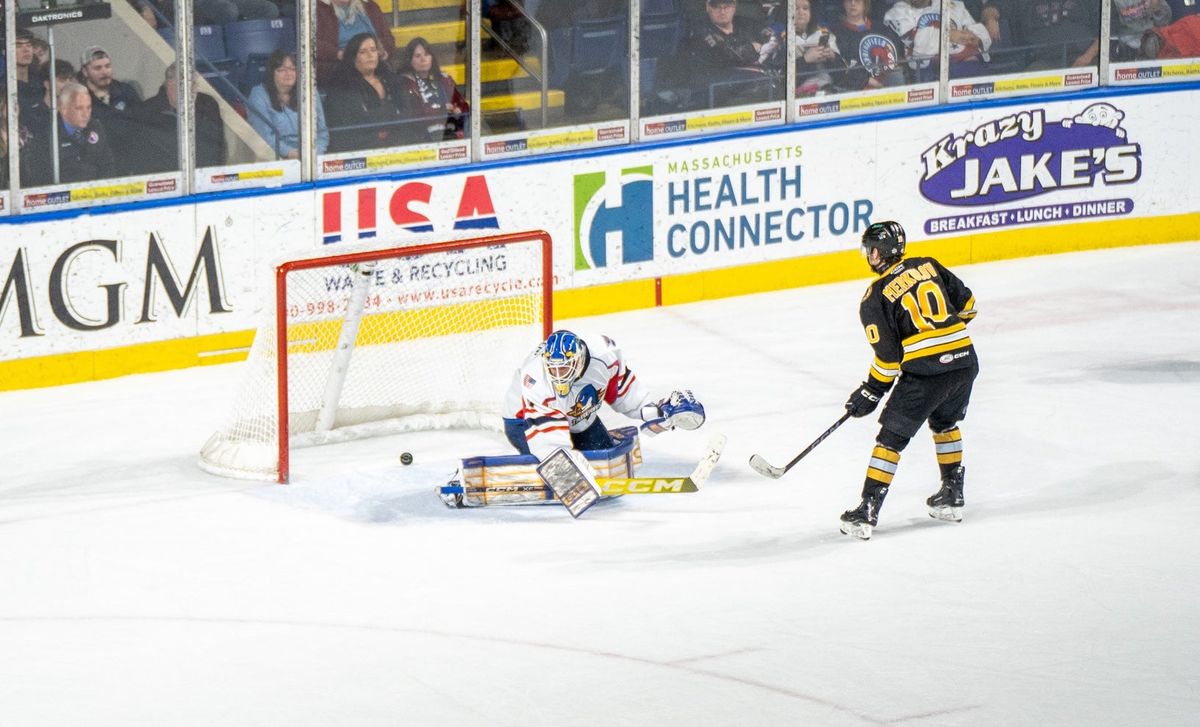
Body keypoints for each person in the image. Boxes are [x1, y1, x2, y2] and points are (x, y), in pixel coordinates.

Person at [838, 221, 980, 540]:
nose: (868, 256)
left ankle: (867, 511)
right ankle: (952, 496)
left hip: (927, 374)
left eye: (869, 251)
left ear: (878, 253)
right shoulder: (928, 265)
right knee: (945, 424)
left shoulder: (874, 297)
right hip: (964, 362)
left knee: (891, 440)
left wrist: (870, 392)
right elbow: (969, 308)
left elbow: (888, 361)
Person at [503, 330, 706, 462]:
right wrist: (562, 462)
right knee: (560, 467)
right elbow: (547, 442)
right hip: (524, 423)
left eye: (564, 368)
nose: (557, 376)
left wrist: (657, 411)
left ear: (579, 360)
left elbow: (622, 393)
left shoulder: (604, 355)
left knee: (605, 460)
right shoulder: (535, 378)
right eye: (553, 369)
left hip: (579, 418)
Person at [128, 64, 227, 174]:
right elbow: (143, 158)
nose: (194, 89)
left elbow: (217, 146)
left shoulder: (207, 104)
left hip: (204, 178)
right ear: (170, 84)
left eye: (195, 83)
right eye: (190, 84)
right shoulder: (146, 112)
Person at [323, 32, 414, 152]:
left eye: (373, 49)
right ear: (353, 57)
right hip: (358, 149)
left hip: (396, 142)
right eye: (363, 52)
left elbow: (406, 111)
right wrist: (391, 110)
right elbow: (354, 123)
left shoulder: (391, 78)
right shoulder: (342, 85)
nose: (370, 55)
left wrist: (379, 117)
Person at [682, 0, 782, 107]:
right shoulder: (701, 31)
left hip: (755, 84)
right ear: (708, 7)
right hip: (719, 93)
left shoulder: (744, 23)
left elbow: (773, 35)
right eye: (716, 6)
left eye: (727, 6)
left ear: (734, 6)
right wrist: (753, 47)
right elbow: (729, 54)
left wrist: (770, 43)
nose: (722, 11)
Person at [247, 50, 331, 158]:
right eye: (281, 70)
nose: (289, 74)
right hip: (275, 157)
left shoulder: (309, 92)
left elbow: (321, 132)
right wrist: (289, 153)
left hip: (312, 156)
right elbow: (264, 136)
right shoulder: (258, 95)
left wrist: (316, 153)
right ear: (272, 72)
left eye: (293, 69)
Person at [885, 0, 991, 80]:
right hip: (928, 71)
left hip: (968, 64)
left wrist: (976, 39)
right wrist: (948, 35)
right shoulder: (896, 13)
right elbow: (915, 41)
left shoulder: (953, 4)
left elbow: (978, 30)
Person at [396, 37, 469, 142]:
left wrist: (459, 109)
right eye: (417, 56)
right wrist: (442, 110)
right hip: (421, 137)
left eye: (426, 54)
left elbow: (463, 106)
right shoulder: (404, 83)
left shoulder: (444, 79)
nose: (423, 59)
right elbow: (413, 115)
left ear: (432, 57)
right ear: (409, 60)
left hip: (451, 130)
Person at [316, 0, 397, 84]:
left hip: (375, 67)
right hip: (340, 69)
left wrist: (381, 52)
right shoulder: (317, 9)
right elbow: (311, 43)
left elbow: (388, 39)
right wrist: (340, 54)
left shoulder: (371, 6)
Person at [51, 82, 116, 184]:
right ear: (63, 109)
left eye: (88, 108)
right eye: (79, 108)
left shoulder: (96, 127)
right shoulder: (51, 134)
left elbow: (108, 165)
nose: (85, 114)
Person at [833, 0, 907, 89]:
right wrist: (866, 81)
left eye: (857, 0)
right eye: (848, 0)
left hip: (890, 89)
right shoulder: (836, 34)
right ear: (844, 3)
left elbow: (900, 60)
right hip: (857, 92)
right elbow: (840, 70)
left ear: (865, 3)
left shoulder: (883, 29)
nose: (853, 3)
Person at [788, 0, 846, 95]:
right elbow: (781, 79)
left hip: (828, 90)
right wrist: (805, 60)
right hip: (797, 96)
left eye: (805, 8)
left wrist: (832, 56)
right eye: (796, 8)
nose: (801, 12)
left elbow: (843, 73)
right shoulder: (781, 38)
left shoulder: (824, 33)